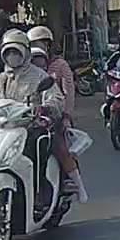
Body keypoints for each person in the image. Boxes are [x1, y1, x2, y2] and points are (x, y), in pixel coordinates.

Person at [27, 26, 87, 203]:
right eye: (32, 44)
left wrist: (66, 115)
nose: (36, 46)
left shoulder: (60, 65)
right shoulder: (25, 69)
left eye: (39, 43)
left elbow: (68, 92)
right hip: (28, 118)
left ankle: (76, 184)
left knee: (59, 146)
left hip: (55, 116)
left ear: (48, 44)